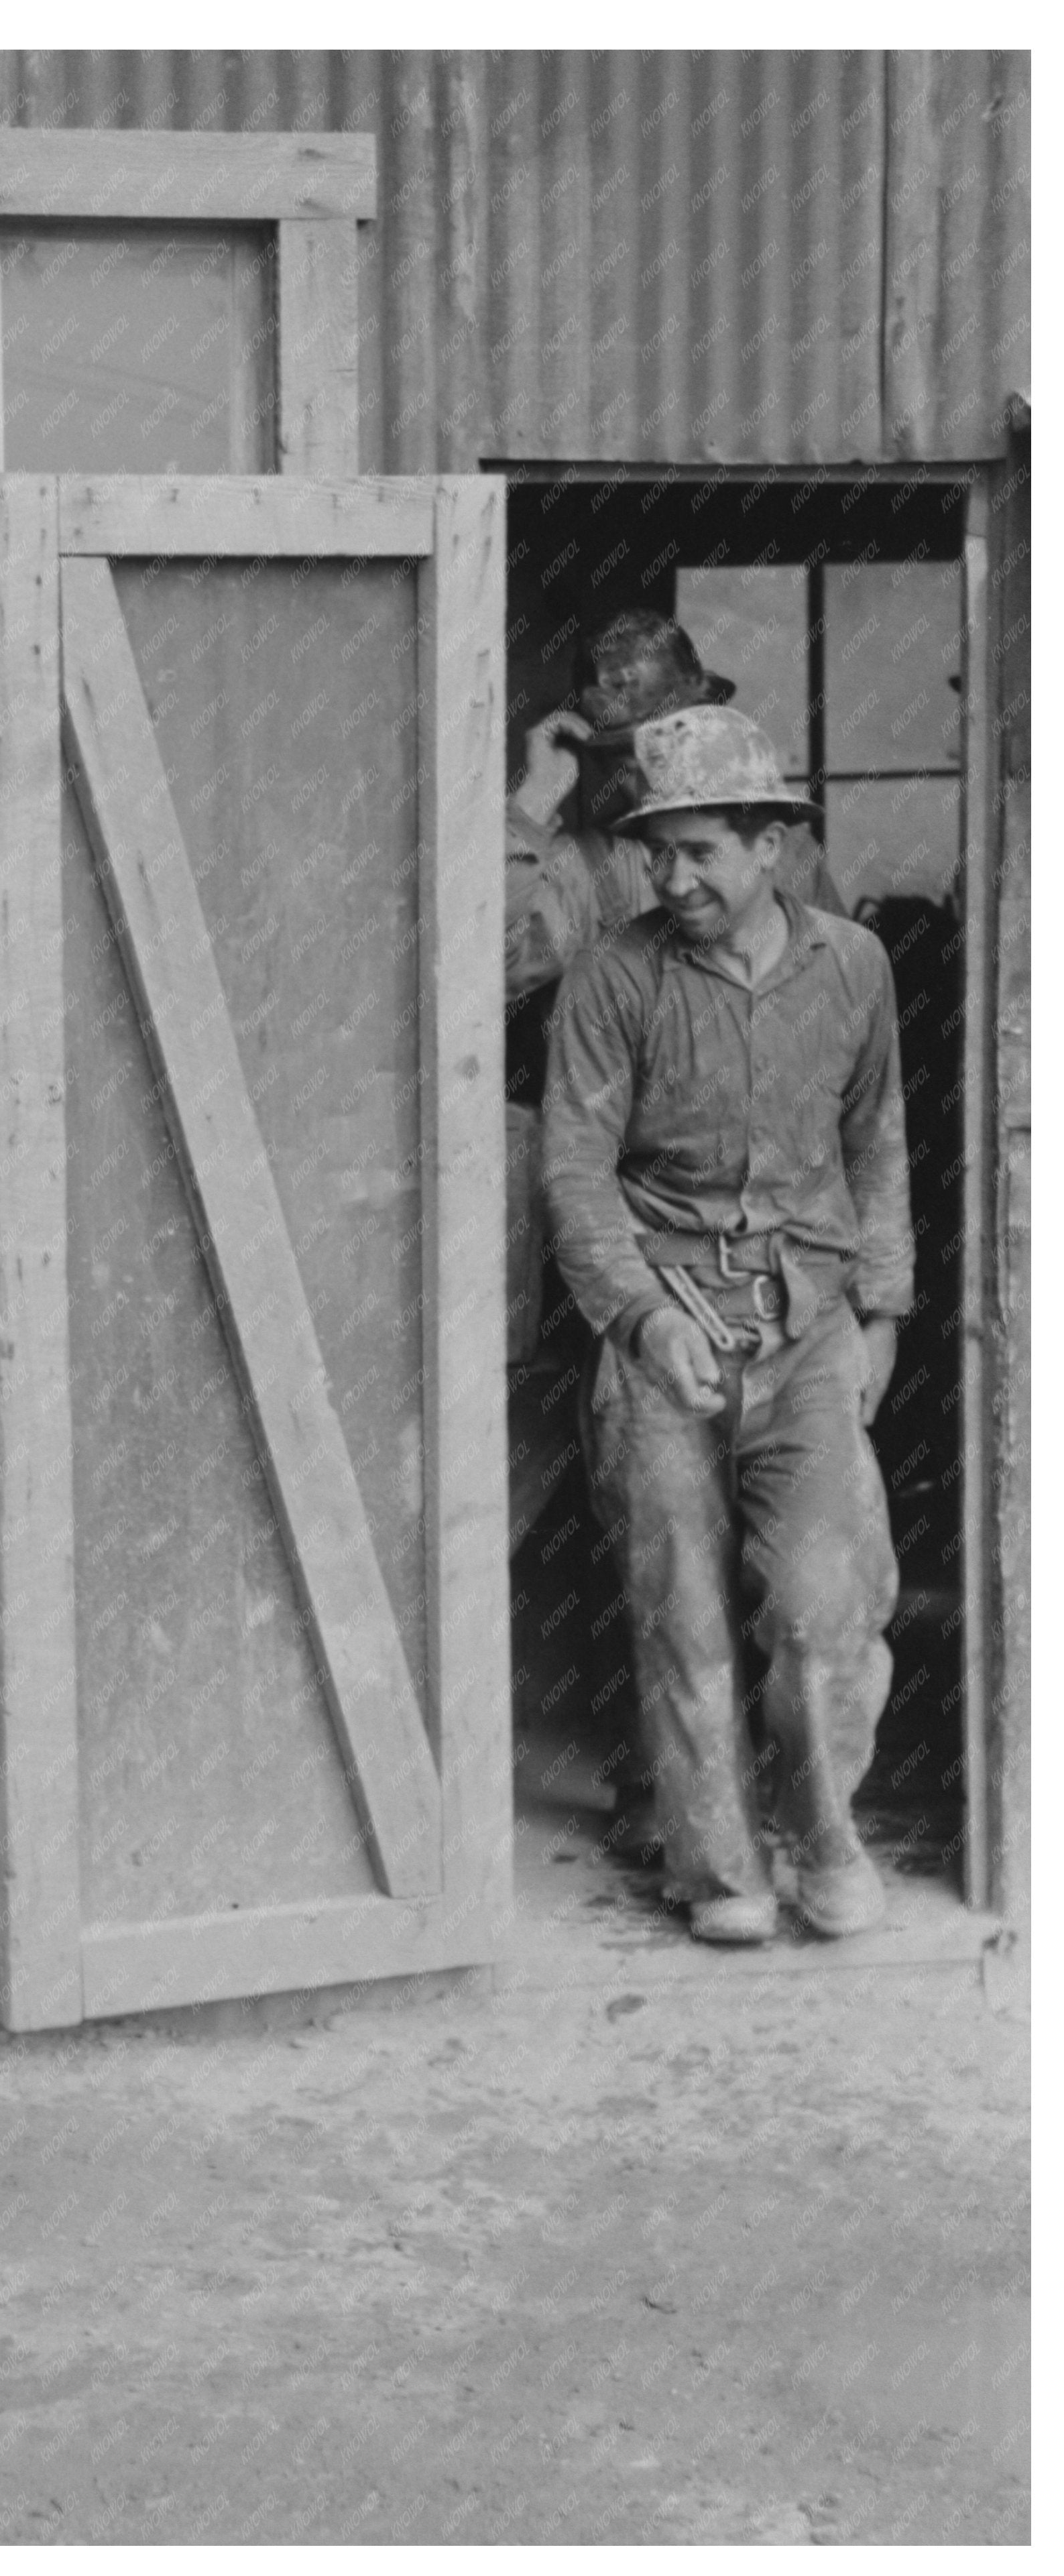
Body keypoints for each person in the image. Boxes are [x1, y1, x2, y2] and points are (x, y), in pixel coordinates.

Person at [542, 707, 913, 1946]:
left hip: (810, 1330)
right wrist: (644, 1319)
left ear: (771, 845)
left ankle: (824, 1835)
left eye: (699, 850)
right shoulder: (613, 977)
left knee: (820, 1603)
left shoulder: (854, 965)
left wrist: (882, 1310)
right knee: (683, 1614)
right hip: (663, 1330)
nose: (673, 878)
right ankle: (721, 1870)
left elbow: (879, 1140)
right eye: (658, 852)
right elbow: (574, 1172)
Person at [506, 608, 847, 1005]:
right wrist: (533, 803)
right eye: (628, 765)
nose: (655, 780)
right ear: (603, 764)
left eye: (667, 751)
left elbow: (843, 986)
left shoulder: (785, 847)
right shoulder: (589, 867)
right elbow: (490, 968)